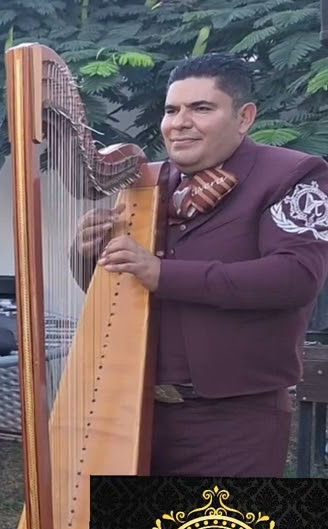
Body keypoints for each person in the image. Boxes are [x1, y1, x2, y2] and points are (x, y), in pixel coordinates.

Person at [71, 52, 328, 479]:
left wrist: (162, 273)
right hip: (133, 411)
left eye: (201, 108)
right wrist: (87, 255)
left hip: (234, 420)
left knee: (218, 527)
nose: (180, 122)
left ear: (244, 117)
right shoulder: (148, 184)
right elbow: (118, 295)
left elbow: (296, 278)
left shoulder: (294, 174)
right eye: (172, 110)